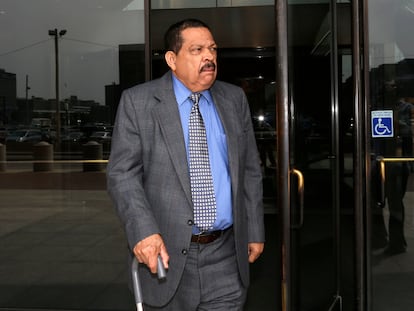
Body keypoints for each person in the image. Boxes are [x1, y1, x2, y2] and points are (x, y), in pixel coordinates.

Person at [107, 18, 265, 310]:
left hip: (226, 256)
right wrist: (142, 231)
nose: (209, 57)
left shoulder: (233, 99)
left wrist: (254, 228)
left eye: (212, 49)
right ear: (172, 59)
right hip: (165, 258)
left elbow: (250, 170)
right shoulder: (138, 102)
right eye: (197, 50)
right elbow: (122, 175)